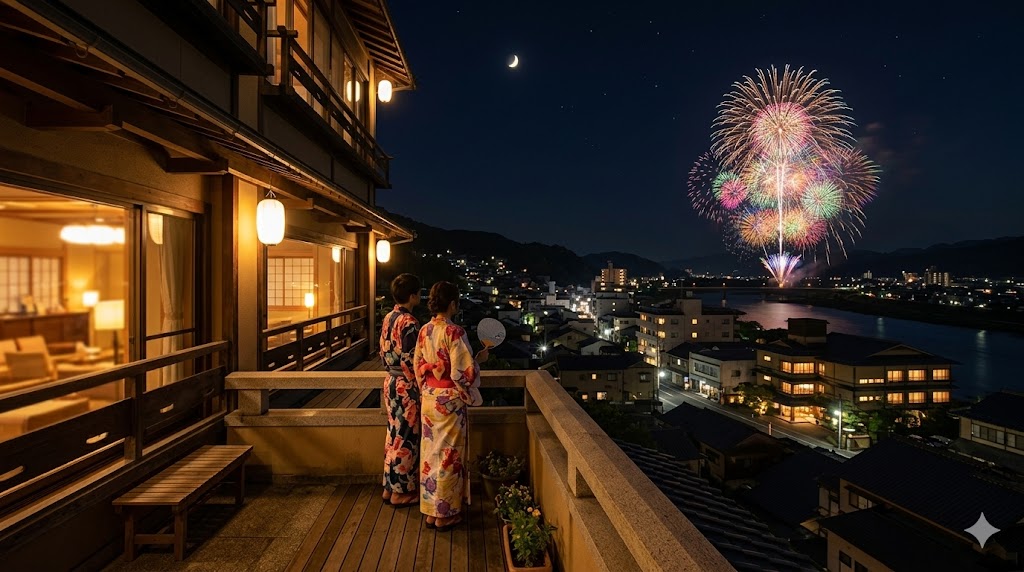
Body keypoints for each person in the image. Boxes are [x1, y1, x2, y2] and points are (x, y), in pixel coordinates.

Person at [414, 281, 488, 531]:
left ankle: (431, 511)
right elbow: (463, 374)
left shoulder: (424, 330)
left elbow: (418, 365)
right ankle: (445, 513)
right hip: (449, 401)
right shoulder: (454, 332)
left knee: (430, 454)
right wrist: (478, 362)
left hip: (429, 397)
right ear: (453, 304)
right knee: (448, 456)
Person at [379, 273, 423, 508]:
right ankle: (401, 492)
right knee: (407, 438)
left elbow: (383, 351)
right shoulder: (410, 323)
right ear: (413, 295)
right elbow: (410, 360)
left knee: (394, 434)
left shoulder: (389, 317)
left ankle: (389, 486)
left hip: (390, 382)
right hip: (406, 385)